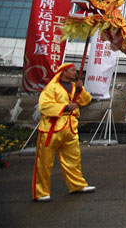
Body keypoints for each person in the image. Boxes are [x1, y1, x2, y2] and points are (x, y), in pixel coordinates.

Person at [32, 63, 95, 202]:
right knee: (45, 162)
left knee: (73, 159)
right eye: (72, 70)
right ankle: (41, 192)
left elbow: (86, 100)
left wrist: (81, 89)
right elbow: (44, 106)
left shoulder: (75, 87)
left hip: (70, 127)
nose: (75, 72)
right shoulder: (51, 87)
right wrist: (65, 107)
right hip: (52, 128)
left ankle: (77, 184)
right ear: (64, 72)